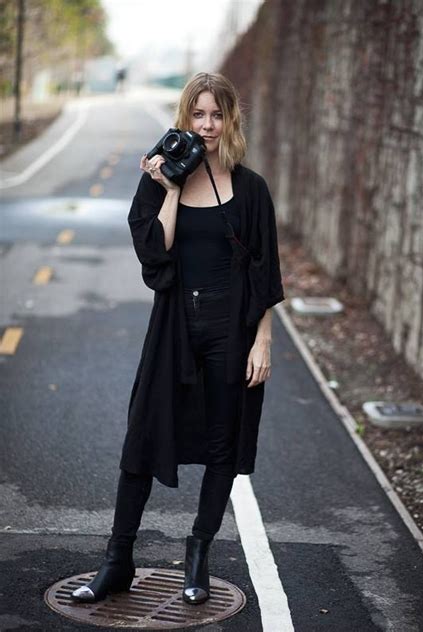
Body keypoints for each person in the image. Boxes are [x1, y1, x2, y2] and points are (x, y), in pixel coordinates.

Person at [71, 72, 285, 606]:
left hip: (231, 332)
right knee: (142, 437)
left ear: (230, 119)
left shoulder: (252, 188)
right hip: (173, 328)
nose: (207, 125)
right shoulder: (157, 180)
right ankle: (116, 562)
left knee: (222, 445)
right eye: (198, 114)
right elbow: (156, 255)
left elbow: (266, 274)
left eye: (217, 115)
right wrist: (169, 188)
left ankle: (198, 555)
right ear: (184, 117)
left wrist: (263, 342)